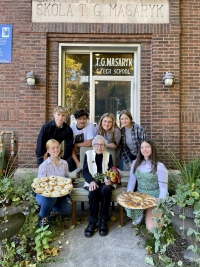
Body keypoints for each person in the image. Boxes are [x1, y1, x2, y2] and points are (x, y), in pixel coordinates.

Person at [125, 137, 168, 231]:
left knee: (152, 228)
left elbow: (164, 189)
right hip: (140, 195)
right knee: (131, 210)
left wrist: (159, 201)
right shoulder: (135, 163)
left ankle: (156, 214)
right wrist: (129, 194)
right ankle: (142, 214)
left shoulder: (160, 166)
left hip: (154, 197)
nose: (144, 150)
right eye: (142, 147)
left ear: (152, 148)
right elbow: (132, 182)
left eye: (147, 147)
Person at [82, 135, 115, 238]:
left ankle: (103, 220)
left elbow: (112, 170)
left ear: (105, 146)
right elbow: (85, 171)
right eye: (97, 144)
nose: (99, 147)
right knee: (93, 191)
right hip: (92, 181)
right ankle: (92, 222)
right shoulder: (87, 154)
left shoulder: (108, 155)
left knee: (106, 190)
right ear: (93, 145)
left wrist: (108, 179)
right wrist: (91, 181)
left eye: (102, 145)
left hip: (105, 183)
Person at [36, 139, 72, 227]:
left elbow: (67, 178)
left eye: (57, 147)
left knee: (67, 208)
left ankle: (51, 210)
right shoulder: (44, 165)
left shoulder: (64, 163)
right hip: (44, 196)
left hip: (60, 195)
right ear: (48, 151)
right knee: (52, 196)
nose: (56, 150)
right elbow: (40, 184)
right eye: (53, 148)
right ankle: (42, 217)